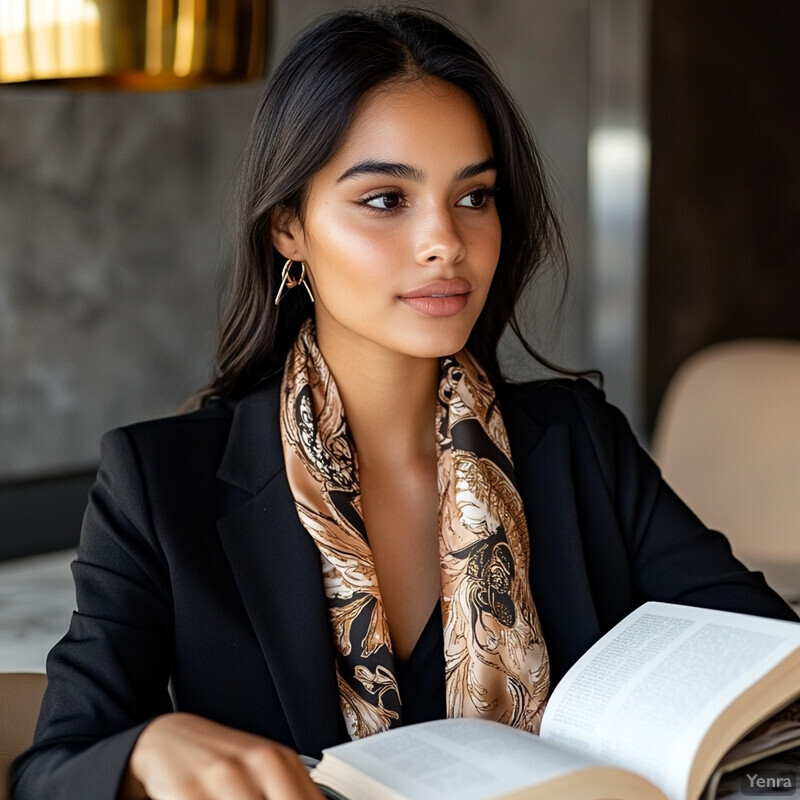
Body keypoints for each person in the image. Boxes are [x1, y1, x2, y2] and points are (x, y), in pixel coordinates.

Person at [11, 7, 797, 800]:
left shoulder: (578, 443)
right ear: (289, 226)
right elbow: (50, 773)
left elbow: (766, 659)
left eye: (475, 196)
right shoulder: (158, 483)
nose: (445, 242)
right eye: (386, 199)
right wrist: (148, 746)